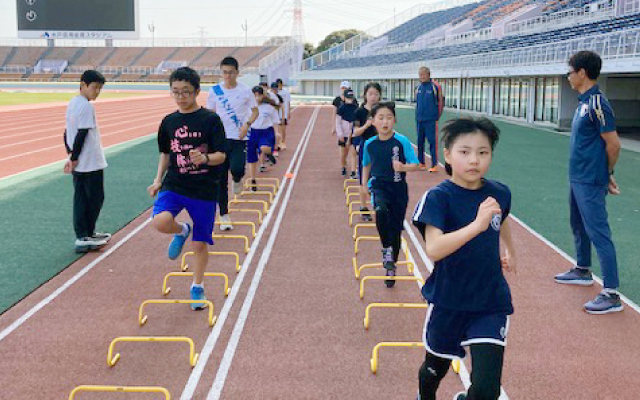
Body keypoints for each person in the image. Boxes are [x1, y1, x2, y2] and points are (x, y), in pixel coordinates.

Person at [412, 117, 516, 400]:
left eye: (483, 152)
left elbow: (501, 216)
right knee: (434, 370)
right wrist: (477, 226)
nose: (474, 160)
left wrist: (510, 249)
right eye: (465, 152)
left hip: (490, 301)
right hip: (449, 300)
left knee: (486, 390)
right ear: (447, 155)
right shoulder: (438, 198)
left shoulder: (499, 192)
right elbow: (434, 248)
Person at [147, 67, 226, 310]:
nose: (181, 97)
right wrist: (158, 180)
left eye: (186, 92)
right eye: (176, 92)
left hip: (204, 189)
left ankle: (197, 286)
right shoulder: (168, 122)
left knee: (199, 244)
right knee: (160, 221)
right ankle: (182, 230)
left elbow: (222, 155)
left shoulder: (210, 120)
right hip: (175, 184)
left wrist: (205, 159)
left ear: (197, 92)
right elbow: (165, 153)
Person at [554, 50, 623, 314]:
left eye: (570, 72)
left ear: (582, 73)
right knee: (578, 224)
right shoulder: (583, 102)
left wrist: (607, 172)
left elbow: (613, 144)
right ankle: (583, 270)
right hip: (578, 177)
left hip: (590, 179)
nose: (568, 77)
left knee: (598, 232)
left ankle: (611, 294)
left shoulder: (597, 104)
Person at [361, 102, 419, 287]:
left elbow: (415, 164)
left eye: (389, 118)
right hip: (378, 186)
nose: (385, 122)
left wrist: (403, 167)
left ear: (394, 120)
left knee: (395, 230)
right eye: (381, 118)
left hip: (398, 190)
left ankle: (391, 266)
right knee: (380, 211)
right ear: (373, 121)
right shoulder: (370, 144)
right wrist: (363, 185)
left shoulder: (401, 141)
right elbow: (366, 165)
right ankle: (386, 249)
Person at [207, 56, 259, 231]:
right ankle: (224, 215)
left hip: (238, 138)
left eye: (231, 73)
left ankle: (237, 179)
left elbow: (255, 111)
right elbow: (210, 114)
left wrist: (247, 124)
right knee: (220, 180)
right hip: (219, 140)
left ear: (237, 73)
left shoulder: (245, 91)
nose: (227, 76)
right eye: (224, 73)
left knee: (237, 169)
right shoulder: (214, 91)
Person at [63, 69, 110, 253]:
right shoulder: (86, 107)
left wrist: (70, 155)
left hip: (82, 161)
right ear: (83, 85)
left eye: (99, 89)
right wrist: (74, 158)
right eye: (94, 87)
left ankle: (87, 233)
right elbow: (81, 133)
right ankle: (83, 236)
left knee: (82, 197)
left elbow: (67, 132)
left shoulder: (73, 103)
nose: (97, 92)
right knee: (94, 198)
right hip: (89, 162)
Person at [352, 82, 382, 222]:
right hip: (365, 146)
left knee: (379, 177)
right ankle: (364, 207)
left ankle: (379, 206)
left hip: (380, 145)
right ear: (365, 95)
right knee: (363, 178)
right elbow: (356, 132)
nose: (373, 97)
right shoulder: (359, 112)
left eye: (376, 94)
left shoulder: (381, 111)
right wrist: (367, 125)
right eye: (370, 94)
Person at [247, 86, 280, 188]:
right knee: (251, 159)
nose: (257, 98)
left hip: (266, 131)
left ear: (262, 96)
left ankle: (269, 154)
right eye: (255, 96)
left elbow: (275, 121)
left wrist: (277, 132)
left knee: (264, 147)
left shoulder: (269, 107)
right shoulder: (247, 107)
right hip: (253, 132)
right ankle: (253, 180)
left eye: (259, 95)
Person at [415, 66, 444, 172]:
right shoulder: (418, 88)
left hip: (431, 120)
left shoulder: (435, 87)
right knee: (419, 142)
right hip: (419, 120)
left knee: (432, 142)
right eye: (420, 75)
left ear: (429, 75)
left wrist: (437, 116)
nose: (422, 77)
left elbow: (440, 102)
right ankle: (421, 163)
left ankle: (434, 164)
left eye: (424, 74)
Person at [332, 80, 358, 176]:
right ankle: (343, 166)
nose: (350, 100)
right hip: (343, 134)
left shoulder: (356, 107)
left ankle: (353, 171)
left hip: (353, 134)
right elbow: (338, 122)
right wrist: (340, 134)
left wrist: (355, 132)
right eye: (348, 98)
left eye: (351, 98)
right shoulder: (341, 108)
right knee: (343, 154)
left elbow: (357, 121)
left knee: (353, 153)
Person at [276, 78, 291, 150]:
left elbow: (288, 102)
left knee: (283, 129)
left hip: (283, 113)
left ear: (282, 84)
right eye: (277, 85)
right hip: (276, 113)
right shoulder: (275, 92)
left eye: (280, 85)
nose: (279, 86)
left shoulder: (286, 92)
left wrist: (288, 112)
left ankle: (283, 142)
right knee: (277, 129)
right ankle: (278, 143)